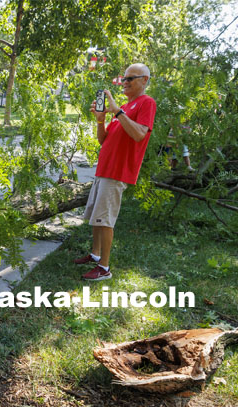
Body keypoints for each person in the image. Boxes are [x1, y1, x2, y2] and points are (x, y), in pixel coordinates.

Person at [76, 63, 157, 281]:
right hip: (105, 169)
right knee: (97, 216)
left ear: (144, 81)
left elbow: (140, 134)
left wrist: (118, 111)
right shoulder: (123, 107)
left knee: (105, 220)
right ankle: (95, 255)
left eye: (131, 79)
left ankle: (104, 268)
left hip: (118, 172)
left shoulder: (146, 103)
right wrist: (101, 120)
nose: (125, 82)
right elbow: (104, 140)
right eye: (124, 79)